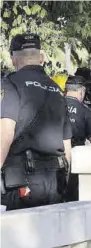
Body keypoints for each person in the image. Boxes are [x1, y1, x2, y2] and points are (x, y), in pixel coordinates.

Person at [0, 33, 72, 210]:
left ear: (13, 59)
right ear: (41, 58)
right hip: (56, 181)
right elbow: (67, 145)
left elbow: (6, 132)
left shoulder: (10, 84)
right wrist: (65, 182)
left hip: (22, 182)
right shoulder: (56, 89)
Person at [63, 75, 91, 202]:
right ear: (81, 91)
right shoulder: (86, 111)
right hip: (75, 161)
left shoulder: (54, 105)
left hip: (52, 159)